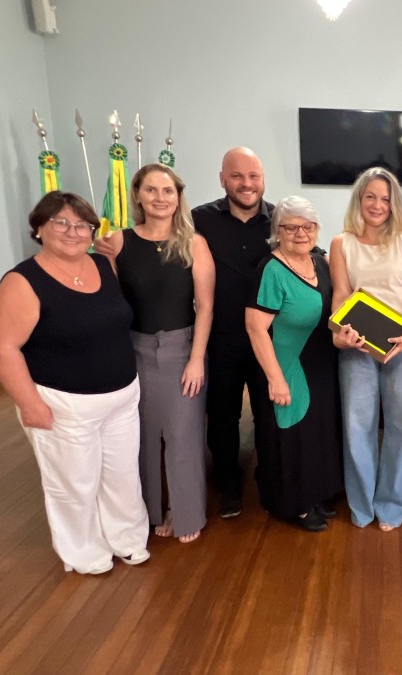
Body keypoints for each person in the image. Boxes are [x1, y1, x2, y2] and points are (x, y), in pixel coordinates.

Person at [0, 191, 149, 574]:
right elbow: (2, 347)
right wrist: (29, 404)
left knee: (122, 476)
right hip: (64, 404)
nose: (73, 232)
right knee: (74, 484)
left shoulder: (102, 264)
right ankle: (84, 553)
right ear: (39, 229)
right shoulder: (23, 281)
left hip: (121, 397)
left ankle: (127, 538)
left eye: (81, 225)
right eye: (61, 222)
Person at [101, 164, 215, 544]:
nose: (160, 198)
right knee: (143, 439)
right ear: (137, 195)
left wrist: (196, 359)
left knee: (183, 436)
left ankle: (184, 513)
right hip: (134, 350)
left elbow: (206, 306)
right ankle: (148, 511)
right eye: (151, 190)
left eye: (168, 191)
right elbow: (109, 302)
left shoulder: (194, 243)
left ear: (178, 197)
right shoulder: (117, 242)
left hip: (182, 349)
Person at [329, 167, 402, 531]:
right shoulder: (341, 243)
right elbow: (341, 295)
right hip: (356, 346)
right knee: (357, 427)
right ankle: (361, 503)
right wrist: (338, 334)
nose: (377, 205)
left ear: (393, 204)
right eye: (370, 196)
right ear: (359, 199)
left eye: (385, 199)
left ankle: (393, 504)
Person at [246, 196, 344, 532]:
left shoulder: (320, 262)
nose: (300, 233)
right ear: (277, 231)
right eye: (290, 227)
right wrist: (275, 378)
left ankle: (316, 494)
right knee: (292, 435)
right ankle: (294, 505)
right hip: (288, 365)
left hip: (322, 364)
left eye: (308, 226)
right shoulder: (271, 270)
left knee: (317, 431)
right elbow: (255, 328)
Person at [192, 147, 275, 518]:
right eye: (237, 176)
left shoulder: (280, 219)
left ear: (263, 179)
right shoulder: (199, 220)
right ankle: (228, 483)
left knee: (267, 415)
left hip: (267, 340)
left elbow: (308, 251)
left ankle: (270, 478)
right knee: (222, 416)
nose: (246, 183)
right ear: (222, 179)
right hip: (219, 338)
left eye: (253, 176)